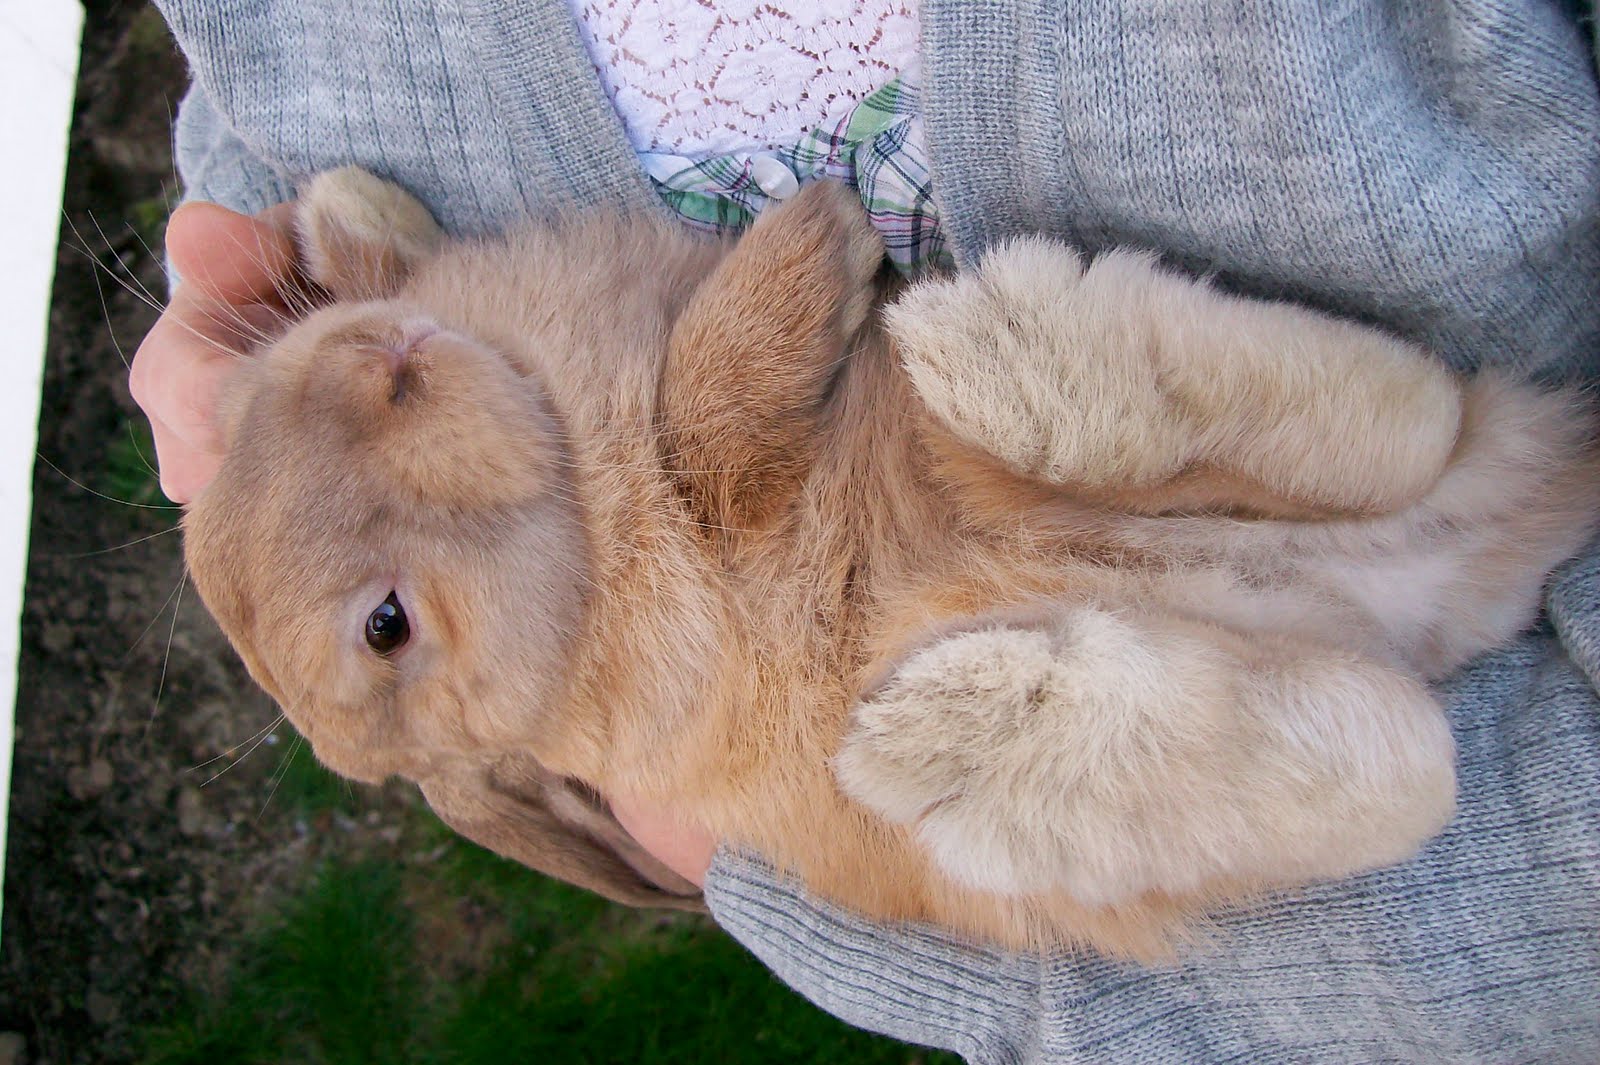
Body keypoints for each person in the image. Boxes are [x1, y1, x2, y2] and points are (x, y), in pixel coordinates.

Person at [132, 1, 1600, 1059]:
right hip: (959, 675)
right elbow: (697, 470)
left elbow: (704, 441)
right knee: (985, 732)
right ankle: (1298, 751)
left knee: (1014, 374)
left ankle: (1309, 443)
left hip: (1410, 524)